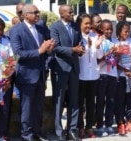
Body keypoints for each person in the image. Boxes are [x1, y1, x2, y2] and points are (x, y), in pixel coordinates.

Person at [10, 4, 55, 141]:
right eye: (34, 12)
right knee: (27, 108)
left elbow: (48, 47)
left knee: (38, 107)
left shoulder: (41, 28)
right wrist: (39, 51)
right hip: (26, 76)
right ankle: (26, 134)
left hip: (41, 74)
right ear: (25, 15)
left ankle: (37, 132)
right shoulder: (16, 30)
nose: (37, 14)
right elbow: (19, 53)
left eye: (38, 12)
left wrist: (49, 50)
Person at [49, 4, 84, 141]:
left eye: (72, 12)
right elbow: (55, 47)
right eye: (69, 12)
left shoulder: (75, 26)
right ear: (61, 14)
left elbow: (79, 42)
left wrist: (81, 49)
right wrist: (73, 50)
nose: (72, 14)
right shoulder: (55, 27)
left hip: (74, 68)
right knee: (59, 101)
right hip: (60, 69)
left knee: (74, 101)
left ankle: (72, 130)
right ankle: (59, 132)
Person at [76, 13, 103, 139]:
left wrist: (97, 46)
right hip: (81, 76)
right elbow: (79, 57)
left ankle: (89, 127)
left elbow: (99, 56)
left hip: (94, 76)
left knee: (91, 103)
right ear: (80, 25)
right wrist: (87, 47)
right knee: (80, 104)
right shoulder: (77, 37)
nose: (88, 26)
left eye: (89, 23)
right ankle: (80, 128)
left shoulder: (95, 36)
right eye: (85, 23)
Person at [115, 21, 131, 135]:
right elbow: (114, 61)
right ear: (119, 31)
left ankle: (129, 122)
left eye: (129, 31)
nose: (127, 33)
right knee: (120, 100)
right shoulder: (116, 42)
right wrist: (125, 70)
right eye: (125, 31)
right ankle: (120, 123)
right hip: (120, 76)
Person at [95, 19, 118, 137]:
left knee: (111, 100)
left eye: (110, 29)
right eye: (106, 29)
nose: (109, 31)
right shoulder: (100, 41)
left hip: (113, 74)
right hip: (102, 74)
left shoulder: (115, 41)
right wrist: (109, 52)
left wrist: (118, 52)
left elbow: (118, 58)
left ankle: (108, 124)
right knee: (100, 101)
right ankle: (99, 125)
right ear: (102, 30)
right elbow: (98, 59)